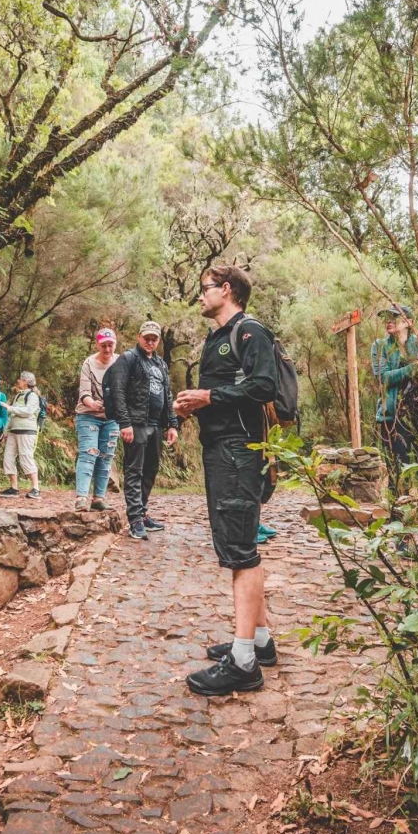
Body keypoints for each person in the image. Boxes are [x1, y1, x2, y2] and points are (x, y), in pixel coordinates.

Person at [173, 265, 279, 696]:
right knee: (238, 543)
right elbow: (226, 393)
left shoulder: (251, 332)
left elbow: (264, 386)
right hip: (220, 449)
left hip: (240, 452)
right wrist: (194, 406)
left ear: (228, 290)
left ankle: (243, 663)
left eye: (205, 289)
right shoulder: (217, 337)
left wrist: (209, 396)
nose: (200, 296)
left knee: (240, 551)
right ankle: (261, 640)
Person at [103, 321, 178, 540]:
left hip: (155, 423)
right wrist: (124, 423)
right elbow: (117, 391)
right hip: (135, 423)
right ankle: (134, 518)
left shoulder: (160, 364)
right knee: (134, 470)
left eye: (154, 338)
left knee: (151, 469)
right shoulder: (128, 359)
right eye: (147, 338)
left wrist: (172, 424)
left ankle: (142, 512)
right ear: (139, 337)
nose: (150, 342)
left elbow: (168, 395)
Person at [370, 303, 418, 475]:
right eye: (386, 318)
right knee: (397, 467)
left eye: (394, 317)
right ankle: (397, 500)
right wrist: (416, 367)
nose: (388, 321)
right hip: (393, 413)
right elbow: (383, 378)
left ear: (408, 322)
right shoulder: (380, 346)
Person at [73, 328, 120, 511]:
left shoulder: (120, 362)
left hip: (112, 417)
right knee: (89, 453)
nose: (107, 349)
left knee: (106, 457)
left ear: (115, 344)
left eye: (110, 345)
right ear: (97, 345)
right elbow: (84, 392)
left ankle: (98, 498)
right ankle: (81, 498)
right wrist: (92, 404)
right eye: (103, 345)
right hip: (88, 415)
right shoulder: (89, 363)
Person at [0, 372, 43, 499]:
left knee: (26, 458)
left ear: (26, 381)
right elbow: (11, 416)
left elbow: (28, 411)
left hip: (26, 431)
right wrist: (5, 431)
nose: (18, 380)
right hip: (13, 431)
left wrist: (9, 408)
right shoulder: (18, 395)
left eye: (20, 379)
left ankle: (36, 489)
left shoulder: (33, 396)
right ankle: (14, 488)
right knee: (8, 458)